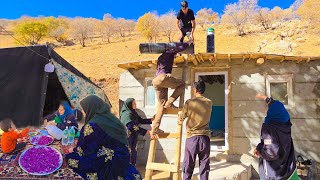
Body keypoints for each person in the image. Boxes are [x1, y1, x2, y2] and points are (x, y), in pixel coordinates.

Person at [65, 95, 142, 180]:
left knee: (71, 159)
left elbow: (86, 150)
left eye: (84, 109)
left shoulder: (92, 126)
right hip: (123, 158)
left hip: (109, 163)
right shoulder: (110, 119)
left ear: (91, 109)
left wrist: (74, 150)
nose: (83, 112)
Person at [151, 42, 191, 139]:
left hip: (156, 81)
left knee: (161, 105)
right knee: (182, 84)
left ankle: (155, 128)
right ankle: (169, 103)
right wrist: (189, 42)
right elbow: (180, 47)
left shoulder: (161, 57)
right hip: (162, 78)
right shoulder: (169, 52)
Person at [254, 94, 298, 180]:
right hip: (287, 168)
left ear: (272, 111)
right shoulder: (285, 124)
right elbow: (275, 104)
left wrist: (259, 150)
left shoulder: (269, 128)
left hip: (274, 173)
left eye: (268, 109)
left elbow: (271, 153)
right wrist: (265, 98)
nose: (266, 110)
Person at [178, 80, 212, 180]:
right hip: (205, 139)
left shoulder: (189, 102)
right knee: (204, 166)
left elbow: (182, 116)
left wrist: (179, 119)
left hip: (192, 138)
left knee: (188, 165)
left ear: (195, 89)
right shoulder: (209, 102)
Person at [120, 98, 154, 166]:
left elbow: (140, 120)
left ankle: (132, 169)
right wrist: (146, 131)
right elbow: (132, 127)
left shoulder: (133, 112)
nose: (136, 104)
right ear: (129, 105)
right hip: (127, 138)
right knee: (129, 153)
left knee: (133, 152)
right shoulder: (127, 114)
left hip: (132, 137)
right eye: (134, 103)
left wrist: (152, 120)